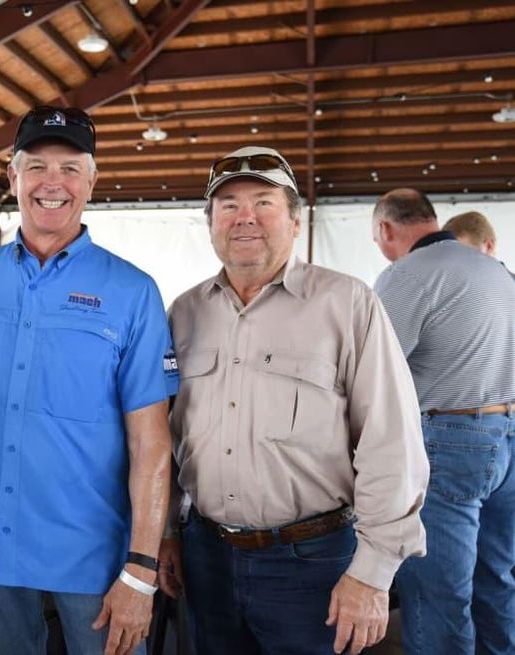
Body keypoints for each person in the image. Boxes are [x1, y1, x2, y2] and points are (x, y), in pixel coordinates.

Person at [0, 105, 179, 655]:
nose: (51, 183)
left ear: (91, 180)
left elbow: (151, 441)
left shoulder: (132, 292)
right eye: (36, 166)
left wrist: (140, 566)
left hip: (95, 557)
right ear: (12, 177)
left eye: (69, 168)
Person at [160, 146, 428, 655]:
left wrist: (372, 574)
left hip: (313, 561)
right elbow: (168, 436)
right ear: (211, 222)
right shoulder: (185, 312)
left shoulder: (346, 303)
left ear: (296, 221)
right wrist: (169, 532)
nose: (245, 218)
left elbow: (391, 442)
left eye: (263, 202)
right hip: (207, 557)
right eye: (228, 205)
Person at [372, 189, 515, 655]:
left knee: (438, 593)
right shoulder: (497, 271)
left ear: (386, 230)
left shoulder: (406, 274)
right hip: (509, 436)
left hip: (452, 441)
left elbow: (373, 370)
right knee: (496, 581)